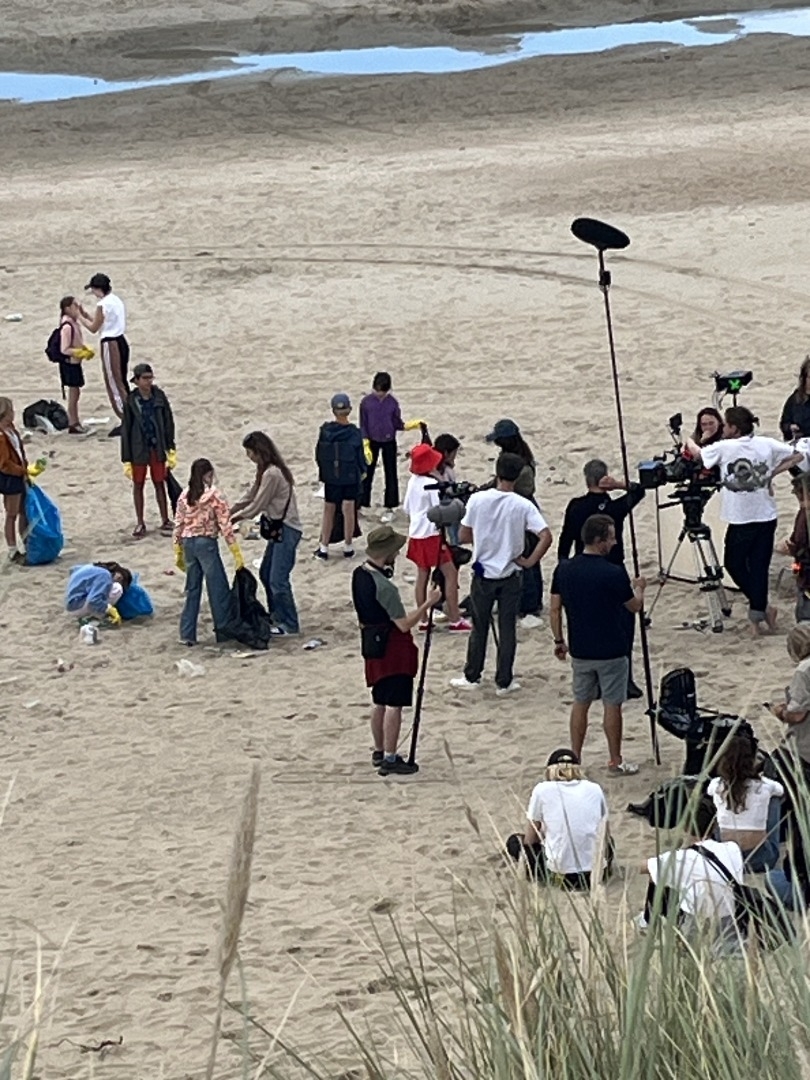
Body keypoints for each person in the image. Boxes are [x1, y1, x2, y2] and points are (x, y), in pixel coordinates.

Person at [685, 405, 803, 635]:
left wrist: (690, 439)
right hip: (766, 516)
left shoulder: (725, 447)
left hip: (743, 518)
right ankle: (760, 614)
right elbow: (797, 454)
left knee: (734, 563)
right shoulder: (766, 443)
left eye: (727, 425)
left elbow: (698, 454)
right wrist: (772, 473)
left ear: (734, 429)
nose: (724, 429)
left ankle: (761, 611)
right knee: (758, 568)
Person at [550, 514, 645, 775]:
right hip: (612, 649)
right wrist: (639, 588)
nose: (614, 543)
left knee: (580, 703)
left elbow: (555, 608)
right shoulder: (613, 572)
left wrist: (559, 640)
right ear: (599, 540)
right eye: (611, 538)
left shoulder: (564, 569)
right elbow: (634, 606)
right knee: (612, 705)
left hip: (581, 648)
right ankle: (615, 760)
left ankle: (574, 757)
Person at [450, 453, 552, 696]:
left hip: (483, 572)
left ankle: (472, 675)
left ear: (497, 472)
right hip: (510, 573)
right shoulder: (522, 504)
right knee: (507, 629)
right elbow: (545, 536)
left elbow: (463, 535)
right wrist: (529, 561)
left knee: (480, 627)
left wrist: (485, 538)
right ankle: (504, 680)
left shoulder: (478, 499)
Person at [351, 525, 441, 776]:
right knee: (394, 704)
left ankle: (379, 750)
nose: (397, 554)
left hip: (372, 643)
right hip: (393, 649)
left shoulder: (359, 574)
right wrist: (428, 603)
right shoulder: (385, 588)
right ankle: (390, 757)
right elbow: (404, 624)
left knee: (379, 700)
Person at [505, 748, 611, 890]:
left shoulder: (542, 789)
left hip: (561, 876)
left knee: (515, 841)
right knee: (606, 842)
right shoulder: (595, 789)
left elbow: (530, 840)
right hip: (596, 873)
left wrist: (545, 835)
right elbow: (605, 834)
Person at [637, 801, 743, 941]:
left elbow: (642, 867)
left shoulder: (682, 858)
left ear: (685, 827)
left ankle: (648, 920)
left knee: (657, 874)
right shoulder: (732, 848)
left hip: (696, 922)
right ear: (714, 825)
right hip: (729, 918)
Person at [230, 431, 302, 636]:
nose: (249, 456)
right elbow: (251, 494)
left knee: (278, 579)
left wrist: (235, 518)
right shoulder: (266, 471)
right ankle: (277, 615)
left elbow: (257, 504)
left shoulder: (272, 474)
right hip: (279, 529)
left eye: (250, 452)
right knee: (266, 573)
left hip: (286, 529)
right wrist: (230, 510)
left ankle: (289, 623)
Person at [173, 458, 244, 646]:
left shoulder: (185, 495)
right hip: (206, 542)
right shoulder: (214, 496)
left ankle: (187, 633)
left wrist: (177, 547)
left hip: (188, 542)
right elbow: (225, 524)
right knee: (217, 588)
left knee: (193, 589)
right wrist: (235, 550)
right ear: (208, 474)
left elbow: (178, 523)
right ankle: (223, 631)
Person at [402, 442, 470, 632]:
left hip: (416, 533)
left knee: (422, 575)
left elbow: (406, 508)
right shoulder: (430, 485)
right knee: (450, 573)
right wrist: (440, 481)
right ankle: (455, 618)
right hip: (431, 534)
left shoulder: (413, 481)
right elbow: (438, 510)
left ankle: (424, 619)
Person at [485, 418, 543, 621]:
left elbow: (513, 488)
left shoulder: (520, 466)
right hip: (518, 508)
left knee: (525, 557)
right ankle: (530, 601)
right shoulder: (516, 457)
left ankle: (529, 604)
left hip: (521, 511)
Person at [708, 735, 783, 872]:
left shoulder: (716, 784)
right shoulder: (765, 785)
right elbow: (781, 790)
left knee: (720, 802)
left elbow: (709, 791)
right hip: (761, 861)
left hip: (728, 860)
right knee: (773, 798)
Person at [121, 363, 176, 539]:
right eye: (145, 378)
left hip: (156, 446)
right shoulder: (131, 400)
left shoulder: (159, 397)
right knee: (138, 484)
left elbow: (168, 422)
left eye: (150, 378)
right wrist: (126, 457)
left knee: (159, 482)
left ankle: (165, 519)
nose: (148, 382)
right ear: (137, 380)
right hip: (138, 448)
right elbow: (126, 429)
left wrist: (170, 447)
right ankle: (140, 521)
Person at [558, 459, 645, 566]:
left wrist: (563, 564)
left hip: (584, 565)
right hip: (612, 565)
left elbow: (566, 540)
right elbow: (639, 491)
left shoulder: (575, 506)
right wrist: (618, 485)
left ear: (587, 480)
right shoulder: (616, 508)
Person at [359, 372, 422, 519]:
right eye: (377, 391)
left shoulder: (392, 403)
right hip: (371, 441)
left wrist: (410, 426)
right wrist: (365, 441)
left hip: (389, 440)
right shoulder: (366, 402)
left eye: (382, 391)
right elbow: (363, 423)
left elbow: (396, 422)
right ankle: (361, 503)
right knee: (366, 472)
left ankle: (390, 507)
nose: (379, 394)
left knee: (391, 473)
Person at [314, 393, 367, 561]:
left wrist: (324, 472)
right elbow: (360, 457)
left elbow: (319, 454)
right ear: (349, 410)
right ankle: (348, 546)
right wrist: (362, 472)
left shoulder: (325, 431)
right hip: (350, 476)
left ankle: (324, 547)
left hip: (331, 477)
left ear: (333, 411)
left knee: (329, 510)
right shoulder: (354, 433)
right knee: (349, 510)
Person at [78, 273, 129, 436]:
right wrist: (86, 315)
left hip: (110, 343)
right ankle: (130, 415)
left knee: (113, 382)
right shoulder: (116, 300)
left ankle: (126, 419)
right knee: (122, 380)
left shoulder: (102, 304)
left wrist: (79, 317)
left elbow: (94, 328)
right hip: (121, 340)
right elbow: (102, 322)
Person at [56, 295, 93, 434]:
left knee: (76, 392)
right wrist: (79, 352)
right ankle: (73, 422)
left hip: (75, 363)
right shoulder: (67, 326)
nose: (77, 308)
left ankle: (75, 421)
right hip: (69, 363)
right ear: (67, 308)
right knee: (73, 394)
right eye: (74, 306)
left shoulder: (74, 323)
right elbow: (64, 349)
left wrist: (84, 349)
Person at [775, 475, 810, 622]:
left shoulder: (805, 516)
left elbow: (800, 546)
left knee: (805, 616)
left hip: (807, 574)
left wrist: (788, 548)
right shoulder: (803, 513)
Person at [0, 397, 28, 564]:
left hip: (19, 473)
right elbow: (4, 464)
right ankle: (12, 549)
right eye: (11, 410)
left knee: (23, 510)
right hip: (10, 477)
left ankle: (25, 542)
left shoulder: (11, 429)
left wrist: (25, 466)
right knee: (12, 513)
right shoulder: (1, 436)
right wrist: (21, 471)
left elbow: (18, 450)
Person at [64, 561, 131, 625]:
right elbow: (93, 601)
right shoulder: (105, 575)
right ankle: (97, 619)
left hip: (71, 603)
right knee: (117, 588)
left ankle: (90, 614)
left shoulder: (91, 567)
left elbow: (72, 569)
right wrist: (109, 609)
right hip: (78, 606)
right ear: (119, 577)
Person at [779, 355, 810, 441]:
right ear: (804, 379)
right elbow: (784, 423)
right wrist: (790, 427)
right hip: (801, 442)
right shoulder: (795, 399)